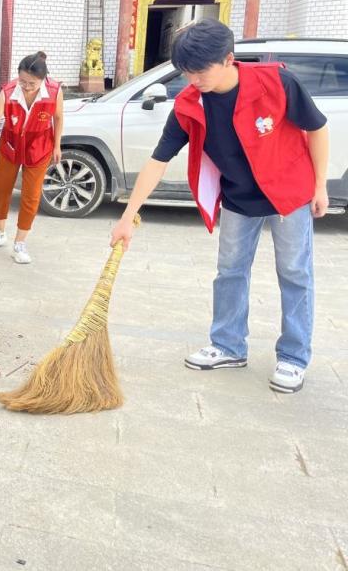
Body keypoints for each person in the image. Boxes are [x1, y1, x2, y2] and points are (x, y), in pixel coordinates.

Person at [110, 19, 329, 394]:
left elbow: (317, 128)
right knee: (229, 271)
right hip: (238, 199)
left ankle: (293, 357)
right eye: (186, 72)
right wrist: (127, 217)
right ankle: (228, 345)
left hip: (289, 194)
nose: (193, 79)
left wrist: (320, 185)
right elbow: (158, 160)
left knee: (294, 273)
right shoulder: (189, 104)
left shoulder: (277, 83)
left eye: (201, 71)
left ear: (228, 59)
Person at [0, 51, 63, 264]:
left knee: (31, 196)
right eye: (22, 81)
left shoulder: (55, 91)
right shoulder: (8, 92)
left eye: (32, 83)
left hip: (39, 146)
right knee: (1, 189)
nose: (26, 86)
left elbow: (58, 118)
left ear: (43, 79)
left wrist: (57, 145)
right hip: (10, 144)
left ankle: (20, 242)